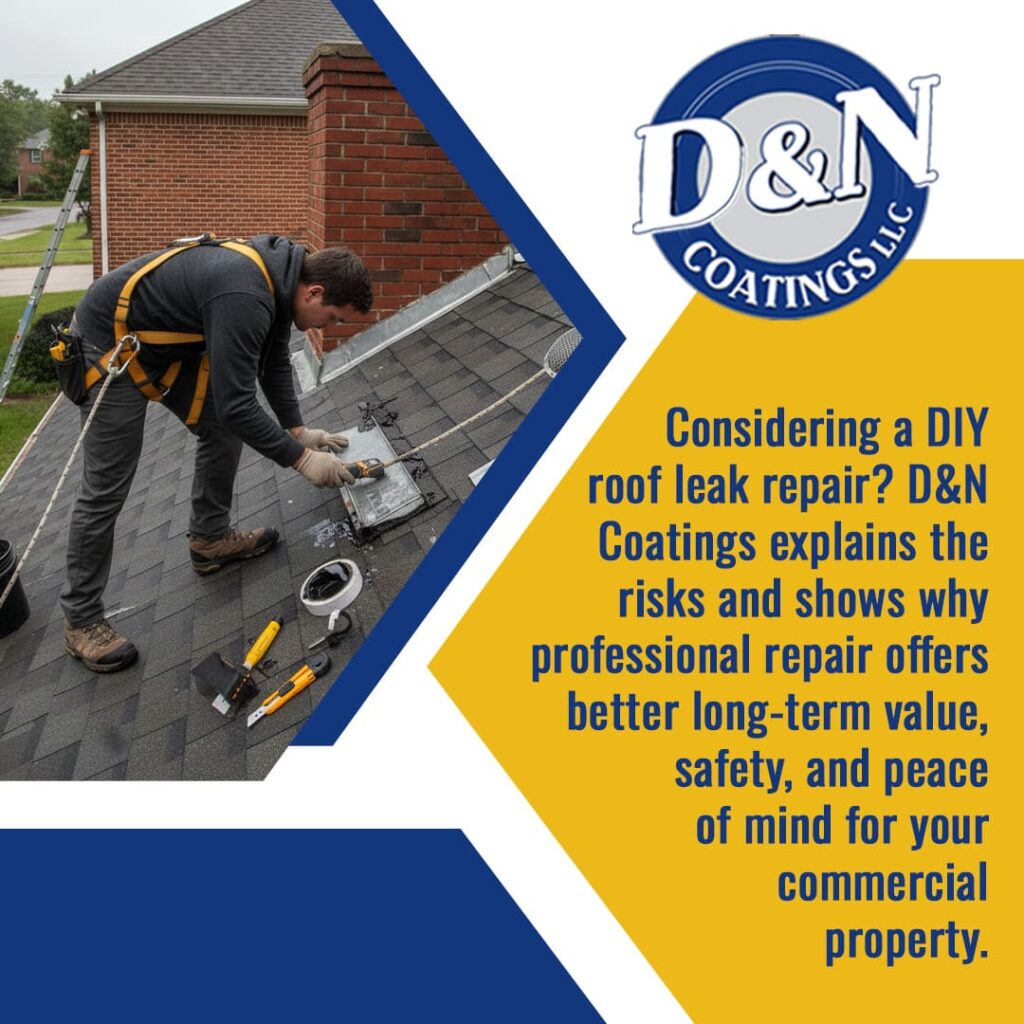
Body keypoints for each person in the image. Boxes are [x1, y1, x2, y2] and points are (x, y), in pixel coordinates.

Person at [61, 234, 372, 672]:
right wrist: (301, 461)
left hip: (161, 342)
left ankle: (209, 540)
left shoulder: (283, 278)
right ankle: (81, 620)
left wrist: (298, 430)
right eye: (333, 317)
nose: (329, 327)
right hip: (108, 343)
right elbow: (238, 402)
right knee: (106, 487)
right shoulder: (246, 292)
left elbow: (274, 360)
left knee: (224, 429)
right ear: (314, 292)